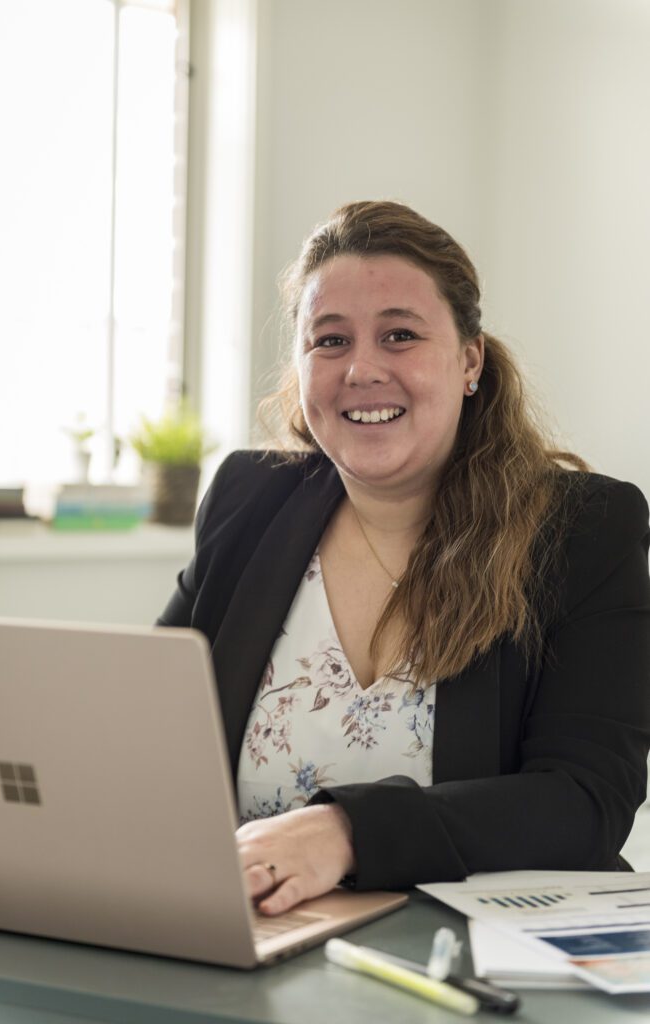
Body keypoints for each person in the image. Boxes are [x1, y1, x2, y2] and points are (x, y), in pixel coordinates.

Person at [158, 200, 650, 917]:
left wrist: (343, 832)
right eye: (329, 340)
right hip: (261, 935)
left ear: (469, 361)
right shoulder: (246, 498)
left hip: (477, 954)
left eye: (399, 335)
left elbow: (584, 800)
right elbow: (150, 728)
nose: (361, 369)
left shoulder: (582, 528)